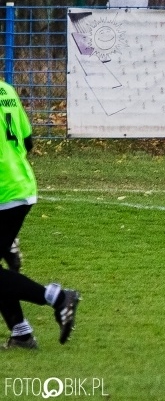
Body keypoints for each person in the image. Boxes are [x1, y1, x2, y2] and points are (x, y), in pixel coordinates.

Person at [0, 79, 80, 349]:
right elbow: (28, 141)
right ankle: (21, 333)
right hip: (19, 184)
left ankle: (58, 298)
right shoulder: (6, 90)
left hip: (4, 193)